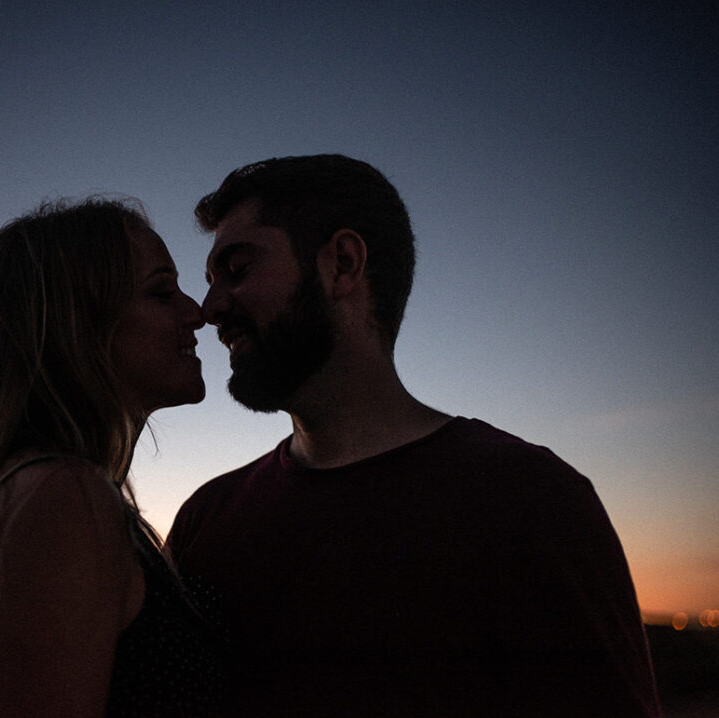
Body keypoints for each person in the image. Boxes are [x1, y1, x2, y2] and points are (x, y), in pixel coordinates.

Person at [166, 155, 661, 717]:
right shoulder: (206, 518)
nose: (209, 310)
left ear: (343, 264)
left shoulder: (531, 501)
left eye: (236, 269)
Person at [0, 198, 223, 717]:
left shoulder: (37, 495)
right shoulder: (62, 499)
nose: (197, 312)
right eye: (161, 291)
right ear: (77, 323)